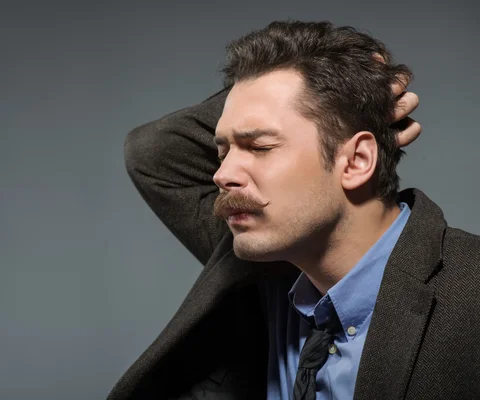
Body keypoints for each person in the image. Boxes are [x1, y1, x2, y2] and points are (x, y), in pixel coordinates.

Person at [108, 20, 480, 400]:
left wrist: (340, 103)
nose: (222, 174)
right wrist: (350, 102)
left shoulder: (470, 295)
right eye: (223, 152)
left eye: (260, 147)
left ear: (356, 161)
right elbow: (153, 151)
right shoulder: (266, 271)